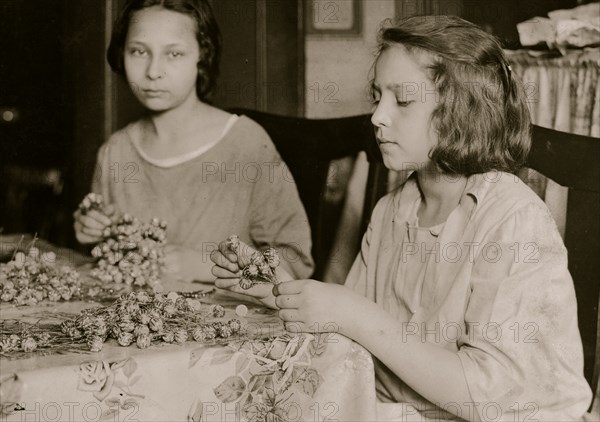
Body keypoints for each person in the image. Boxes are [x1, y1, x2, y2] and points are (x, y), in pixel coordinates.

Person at [210, 15, 592, 421]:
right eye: (377, 97)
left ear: (462, 112)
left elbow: (492, 397)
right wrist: (281, 293)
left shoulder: (512, 218)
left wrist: (356, 315)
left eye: (403, 100)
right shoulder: (393, 209)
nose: (377, 116)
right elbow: (350, 337)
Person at [73, 0, 314, 282]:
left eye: (174, 54)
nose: (153, 71)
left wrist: (207, 266)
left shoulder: (247, 144)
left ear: (202, 54)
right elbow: (109, 263)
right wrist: (91, 229)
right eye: (138, 51)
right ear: (121, 54)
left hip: (229, 319)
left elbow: (297, 262)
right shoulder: (115, 152)